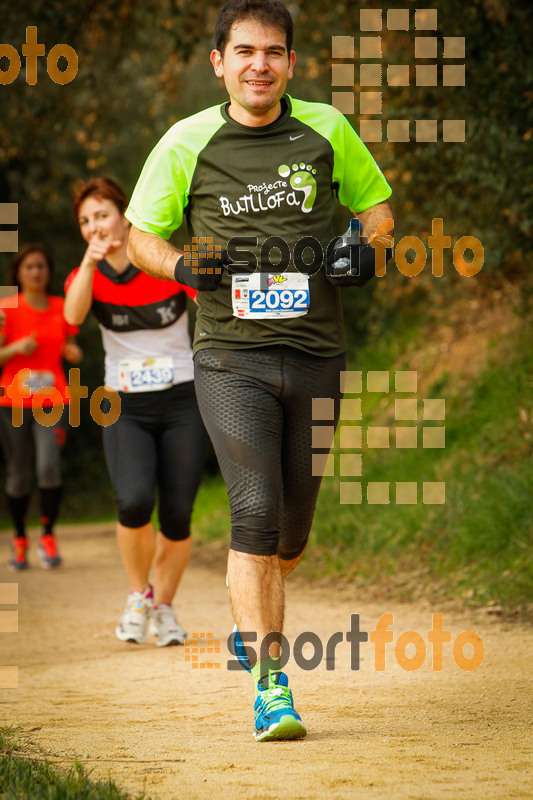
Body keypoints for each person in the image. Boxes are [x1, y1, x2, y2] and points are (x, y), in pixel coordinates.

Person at [125, 0, 393, 739]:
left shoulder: (326, 129)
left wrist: (368, 245)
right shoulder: (186, 141)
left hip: (315, 352)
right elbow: (139, 234)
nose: (258, 65)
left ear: (291, 64)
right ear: (219, 62)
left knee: (291, 534)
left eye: (273, 52)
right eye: (244, 51)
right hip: (228, 354)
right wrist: (181, 264)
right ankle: (272, 687)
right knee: (254, 510)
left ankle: (252, 615)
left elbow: (377, 207)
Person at [64, 177, 206, 647]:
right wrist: (89, 263)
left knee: (179, 514)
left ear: (124, 216)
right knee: (132, 501)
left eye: (101, 215)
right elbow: (72, 316)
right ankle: (138, 594)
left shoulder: (162, 263)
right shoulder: (88, 273)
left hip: (182, 396)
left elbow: (207, 297)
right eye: (85, 221)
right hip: (122, 402)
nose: (94, 226)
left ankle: (163, 608)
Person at [0, 245, 82, 572]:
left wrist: (73, 352)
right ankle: (19, 539)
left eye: (41, 266)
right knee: (19, 475)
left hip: (53, 400)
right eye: (29, 266)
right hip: (12, 402)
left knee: (48, 467)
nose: (35, 272)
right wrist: (16, 347)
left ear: (48, 272)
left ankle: (48, 536)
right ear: (18, 273)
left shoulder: (62, 308)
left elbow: (70, 343)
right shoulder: (6, 308)